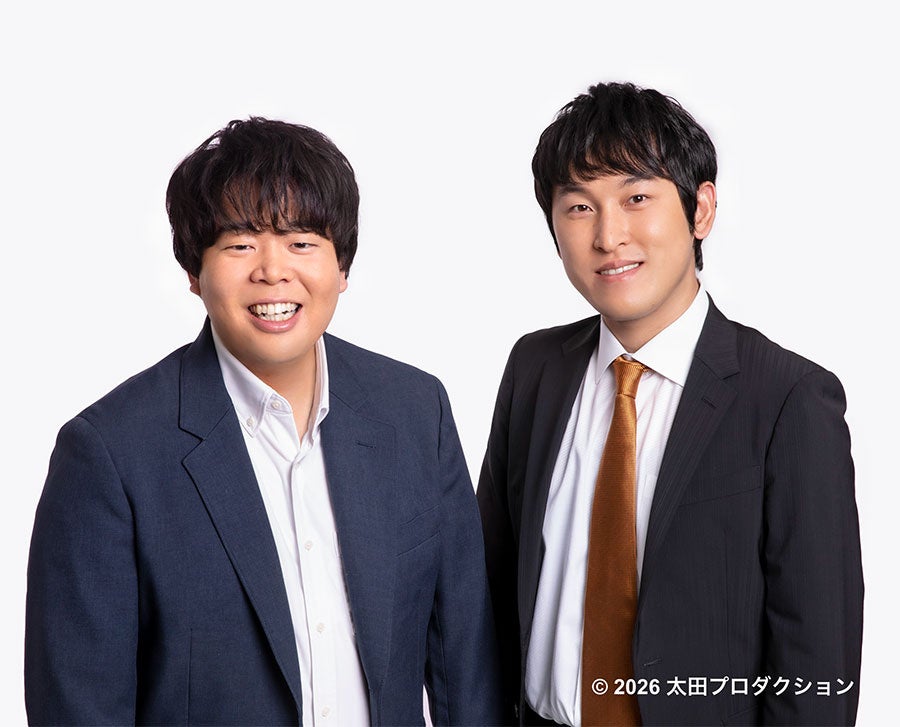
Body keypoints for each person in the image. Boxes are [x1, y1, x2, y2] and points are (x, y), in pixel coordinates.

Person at [25, 117, 501, 726]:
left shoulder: (415, 411)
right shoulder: (110, 454)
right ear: (193, 271)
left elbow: (466, 668)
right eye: (240, 243)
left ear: (342, 267)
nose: (273, 270)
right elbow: (80, 707)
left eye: (302, 242)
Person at [477, 82, 863, 726]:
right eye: (579, 206)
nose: (608, 236)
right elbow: (487, 590)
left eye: (636, 198)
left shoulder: (789, 399)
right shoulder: (535, 370)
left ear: (700, 209)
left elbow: (817, 662)